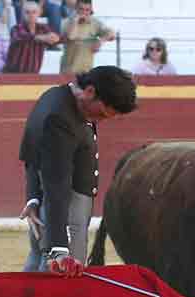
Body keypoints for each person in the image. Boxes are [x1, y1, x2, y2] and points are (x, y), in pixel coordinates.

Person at [18, 66, 137, 277]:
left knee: (37, 264)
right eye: (101, 114)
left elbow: (33, 153)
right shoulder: (60, 117)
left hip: (52, 206)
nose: (100, 120)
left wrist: (33, 198)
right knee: (62, 274)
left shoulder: (55, 97)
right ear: (90, 92)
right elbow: (57, 183)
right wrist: (59, 247)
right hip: (65, 213)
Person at [59, 0, 115, 75]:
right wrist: (75, 22)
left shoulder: (95, 23)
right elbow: (70, 37)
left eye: (87, 10)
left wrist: (100, 41)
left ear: (91, 10)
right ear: (76, 9)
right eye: (81, 9)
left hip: (86, 71)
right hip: (67, 71)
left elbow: (112, 34)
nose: (84, 12)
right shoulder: (67, 22)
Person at [4, 1, 60, 73]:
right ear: (23, 14)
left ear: (39, 13)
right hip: (13, 75)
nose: (31, 15)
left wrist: (56, 38)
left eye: (34, 12)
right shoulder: (16, 28)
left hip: (33, 75)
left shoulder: (43, 28)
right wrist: (41, 38)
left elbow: (57, 39)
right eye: (27, 12)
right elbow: (22, 36)